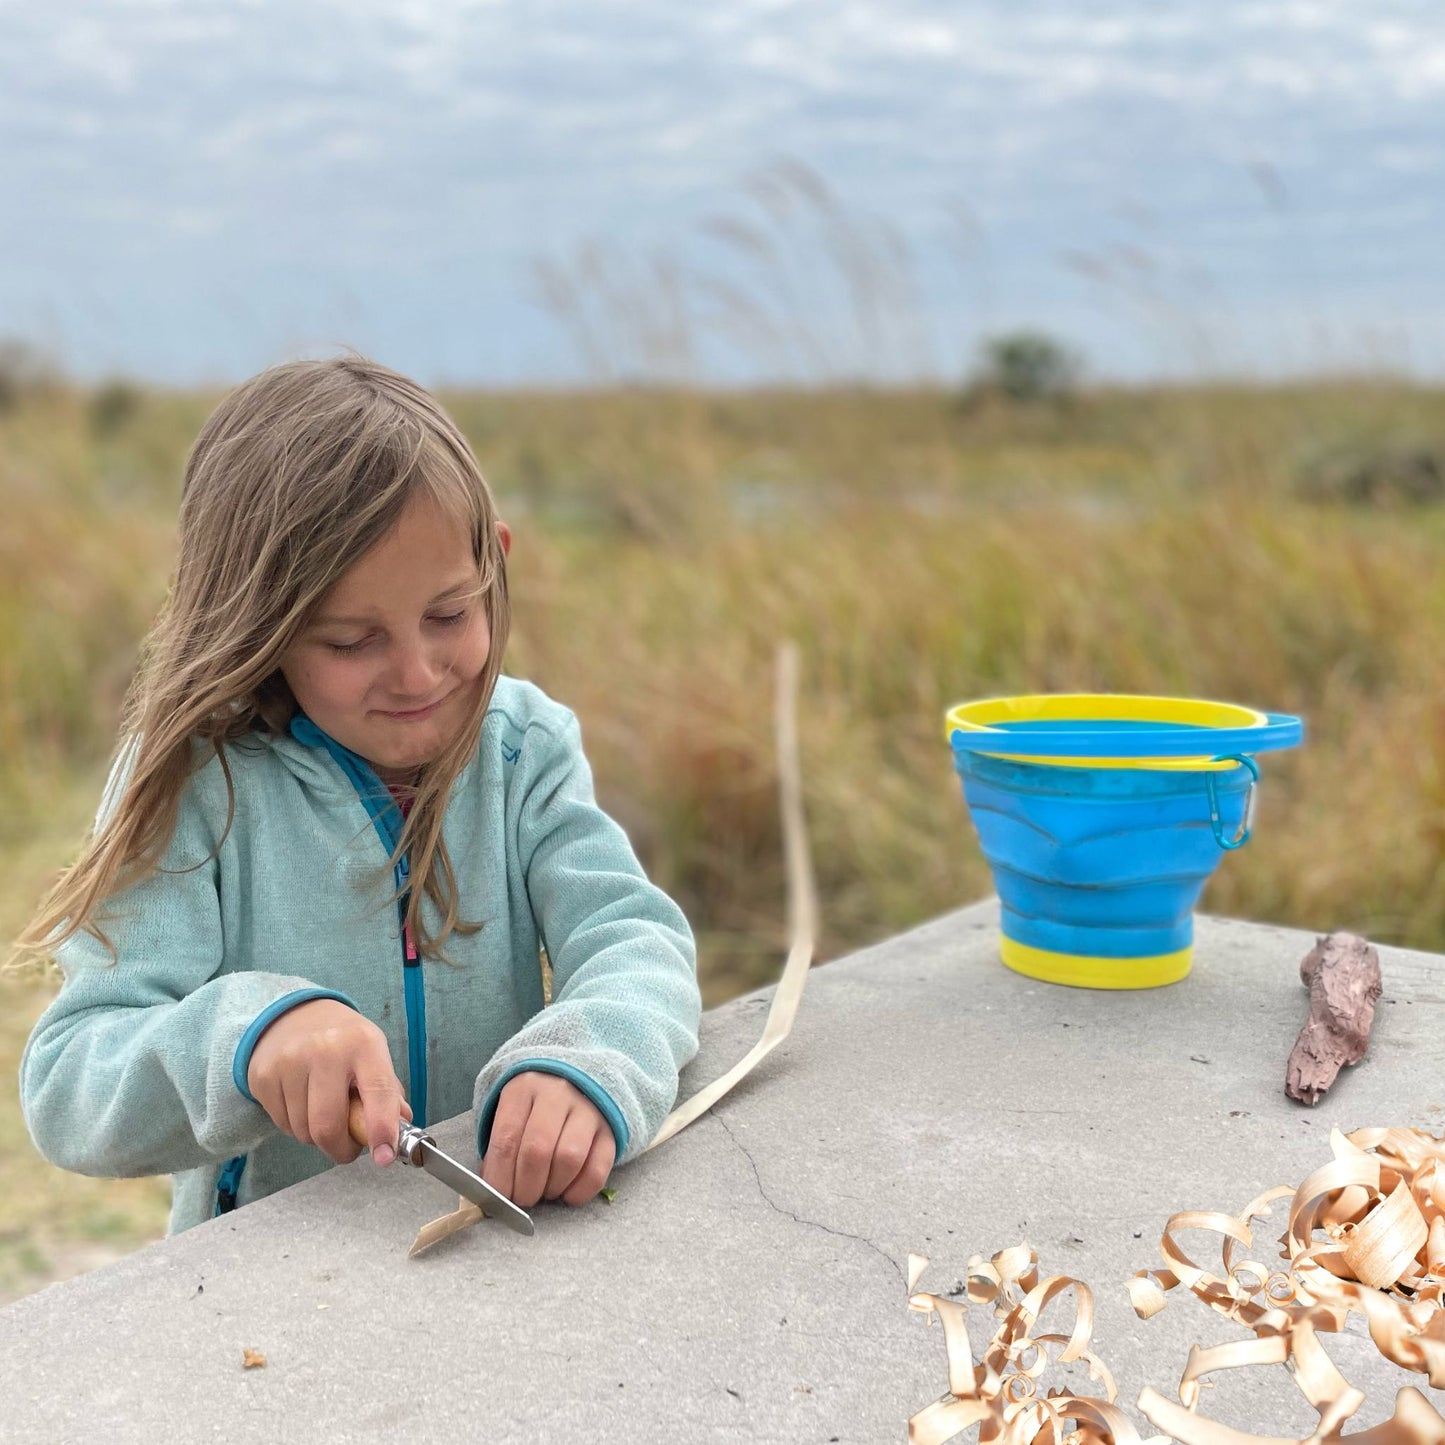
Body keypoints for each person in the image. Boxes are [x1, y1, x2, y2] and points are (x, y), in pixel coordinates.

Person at [16, 355, 701, 1234]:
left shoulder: (522, 748)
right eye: (350, 640)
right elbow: (71, 1082)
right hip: (265, 1306)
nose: (418, 672)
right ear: (256, 621)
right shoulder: (196, 783)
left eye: (450, 613)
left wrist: (585, 1061)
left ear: (494, 562)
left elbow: (634, 937)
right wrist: (249, 1040)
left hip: (495, 1258)